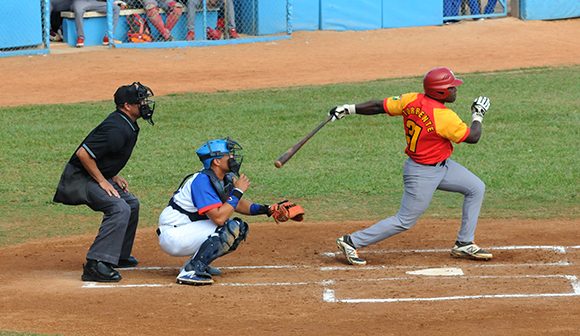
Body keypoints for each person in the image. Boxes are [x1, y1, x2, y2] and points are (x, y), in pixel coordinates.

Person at [331, 67, 493, 266]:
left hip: (443, 167)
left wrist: (348, 108)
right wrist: (478, 114)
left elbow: (377, 106)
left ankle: (464, 243)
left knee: (476, 187)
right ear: (441, 92)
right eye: (452, 87)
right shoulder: (443, 117)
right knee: (404, 220)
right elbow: (473, 137)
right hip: (422, 174)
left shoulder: (411, 99)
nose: (455, 90)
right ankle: (351, 241)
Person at [157, 138, 303, 285]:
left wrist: (267, 209)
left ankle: (198, 261)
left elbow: (236, 204)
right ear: (217, 161)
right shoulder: (202, 182)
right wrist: (238, 190)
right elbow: (219, 218)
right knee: (227, 227)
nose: (233, 158)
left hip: (186, 229)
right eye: (229, 155)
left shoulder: (221, 178)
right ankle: (191, 270)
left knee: (240, 228)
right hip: (174, 235)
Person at [53, 82, 156, 282]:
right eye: (140, 101)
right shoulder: (116, 128)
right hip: (79, 178)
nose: (145, 104)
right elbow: (83, 153)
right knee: (119, 207)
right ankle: (95, 264)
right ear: (127, 106)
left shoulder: (127, 123)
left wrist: (112, 174)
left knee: (131, 203)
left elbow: (105, 155)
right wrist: (103, 180)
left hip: (93, 174)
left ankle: (117, 255)